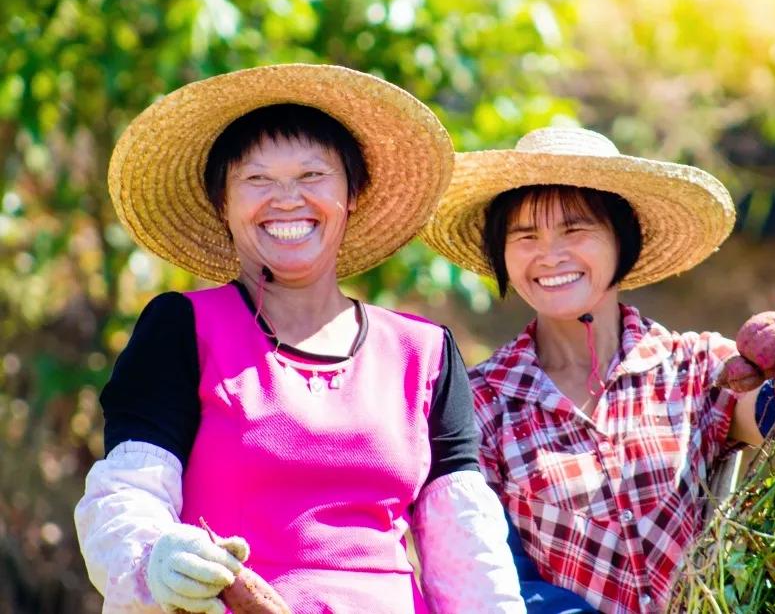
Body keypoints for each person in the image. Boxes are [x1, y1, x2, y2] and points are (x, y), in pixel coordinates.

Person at [74, 64, 525, 614]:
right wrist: (156, 560)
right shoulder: (181, 328)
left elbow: (468, 553)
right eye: (256, 179)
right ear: (223, 203)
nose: (286, 199)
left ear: (352, 193)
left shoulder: (424, 352)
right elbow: (128, 494)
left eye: (313, 176)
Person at [421, 126, 775, 613]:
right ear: (501, 254)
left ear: (623, 241)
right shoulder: (481, 403)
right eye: (525, 236)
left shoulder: (697, 368)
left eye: (575, 229)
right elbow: (494, 576)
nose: (550, 255)